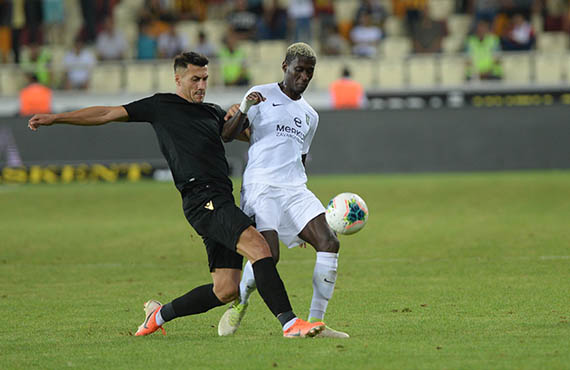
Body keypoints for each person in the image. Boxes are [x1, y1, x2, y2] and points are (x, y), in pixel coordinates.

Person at [27, 51, 325, 339]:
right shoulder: (161, 106)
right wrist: (57, 117)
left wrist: (243, 112)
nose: (201, 86)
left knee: (226, 290)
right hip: (201, 198)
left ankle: (157, 315)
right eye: (195, 79)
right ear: (178, 79)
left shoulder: (213, 113)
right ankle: (290, 324)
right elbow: (106, 112)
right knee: (261, 249)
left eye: (205, 79)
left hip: (222, 197)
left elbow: (261, 137)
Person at [218, 43, 348, 338]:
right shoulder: (259, 94)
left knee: (329, 242)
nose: (304, 76)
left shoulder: (310, 115)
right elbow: (227, 135)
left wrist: (299, 224)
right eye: (299, 70)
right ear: (285, 67)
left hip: (294, 188)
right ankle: (240, 301)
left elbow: (299, 160)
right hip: (260, 186)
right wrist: (246, 108)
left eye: (309, 72)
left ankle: (316, 322)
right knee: (268, 256)